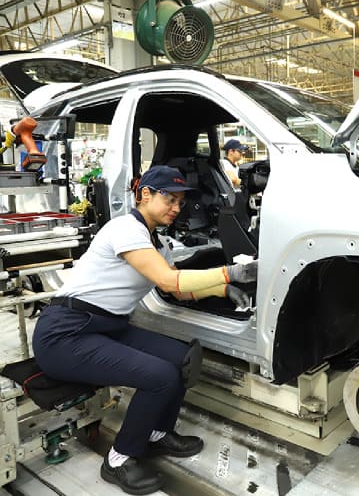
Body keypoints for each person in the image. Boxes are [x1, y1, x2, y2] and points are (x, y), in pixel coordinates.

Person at [32, 165, 257, 495]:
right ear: (145, 195)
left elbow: (176, 289)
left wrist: (222, 290)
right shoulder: (125, 228)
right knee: (159, 376)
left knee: (182, 358)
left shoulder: (157, 242)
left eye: (180, 201)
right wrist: (231, 274)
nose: (176, 208)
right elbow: (168, 280)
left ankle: (155, 433)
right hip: (66, 334)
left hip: (108, 327)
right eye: (169, 198)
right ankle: (119, 459)